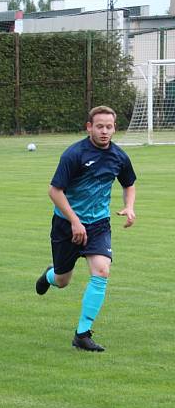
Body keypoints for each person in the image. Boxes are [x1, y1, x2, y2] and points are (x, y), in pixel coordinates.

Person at [35, 105, 137, 352]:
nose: (104, 131)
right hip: (66, 225)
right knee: (63, 280)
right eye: (99, 126)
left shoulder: (119, 157)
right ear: (89, 127)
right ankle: (51, 276)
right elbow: (54, 191)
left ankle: (82, 334)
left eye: (109, 127)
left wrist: (130, 207)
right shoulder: (74, 155)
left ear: (115, 128)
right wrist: (74, 221)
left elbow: (129, 183)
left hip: (99, 224)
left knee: (101, 271)